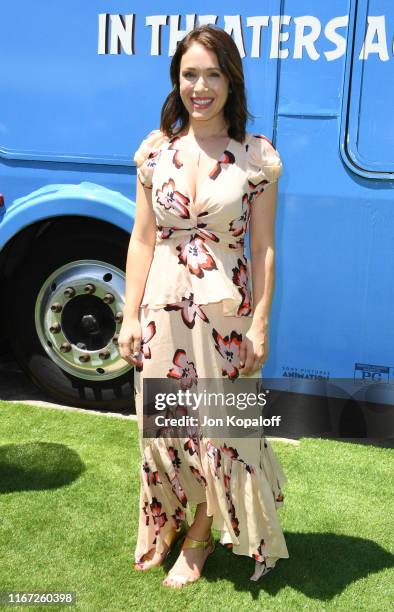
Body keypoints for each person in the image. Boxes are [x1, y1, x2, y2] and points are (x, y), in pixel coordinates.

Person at [119, 24, 289, 589]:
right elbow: (143, 239)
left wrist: (260, 322)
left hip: (224, 316)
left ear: (231, 81)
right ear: (177, 80)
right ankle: (164, 521)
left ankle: (199, 538)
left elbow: (262, 248)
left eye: (213, 74)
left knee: (219, 429)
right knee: (167, 429)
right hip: (164, 309)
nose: (201, 87)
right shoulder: (155, 152)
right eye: (190, 74)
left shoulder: (256, 158)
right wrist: (128, 313)